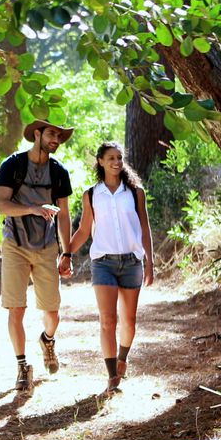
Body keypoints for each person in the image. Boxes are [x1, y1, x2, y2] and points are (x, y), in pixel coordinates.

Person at [67, 141, 154, 395]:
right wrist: (66, 253)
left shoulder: (136, 192)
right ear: (101, 162)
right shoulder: (91, 195)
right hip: (103, 262)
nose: (117, 162)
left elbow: (145, 227)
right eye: (111, 158)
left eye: (119, 158)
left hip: (131, 263)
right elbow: (84, 230)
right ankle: (112, 376)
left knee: (129, 320)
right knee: (107, 320)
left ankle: (123, 357)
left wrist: (150, 260)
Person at [0, 119, 75, 391]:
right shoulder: (12, 165)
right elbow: (2, 206)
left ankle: (47, 341)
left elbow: (64, 215)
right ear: (37, 134)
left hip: (47, 247)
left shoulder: (59, 172)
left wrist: (68, 252)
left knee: (52, 311)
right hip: (14, 244)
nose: (57, 139)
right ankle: (21, 366)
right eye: (52, 134)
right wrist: (33, 208)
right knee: (16, 308)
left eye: (60, 136)